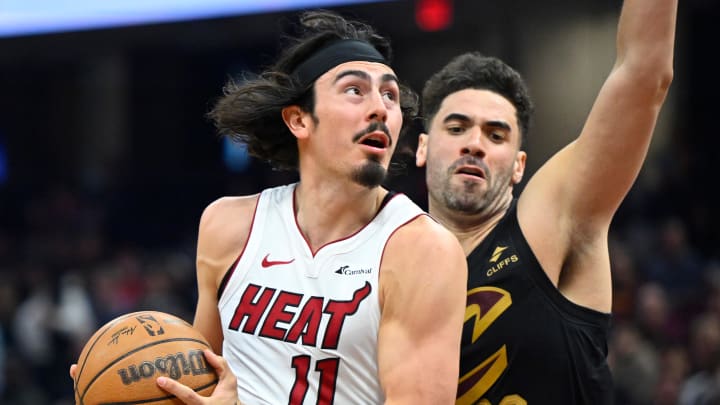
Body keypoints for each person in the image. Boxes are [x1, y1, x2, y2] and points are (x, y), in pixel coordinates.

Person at [167, 9, 467, 405]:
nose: (380, 108)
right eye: (355, 90)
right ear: (299, 120)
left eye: (390, 95)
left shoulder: (421, 251)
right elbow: (202, 379)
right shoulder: (228, 224)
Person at [414, 0, 678, 403]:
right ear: (423, 148)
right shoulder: (385, 261)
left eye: (496, 135)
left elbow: (644, 76)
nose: (474, 144)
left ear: (519, 166)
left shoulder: (547, 225)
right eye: (457, 127)